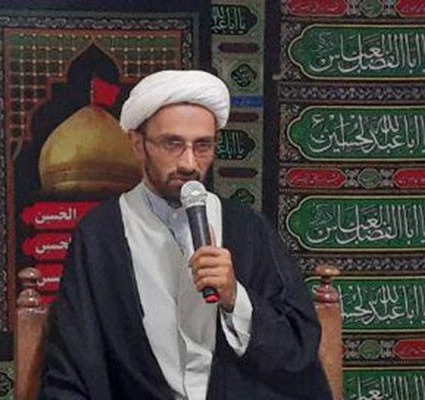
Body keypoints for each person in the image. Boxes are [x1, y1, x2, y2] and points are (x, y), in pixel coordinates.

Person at [38, 70, 332, 399]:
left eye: (203, 146)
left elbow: (297, 347)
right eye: (173, 144)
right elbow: (73, 365)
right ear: (138, 144)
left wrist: (234, 298)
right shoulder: (100, 235)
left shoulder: (248, 228)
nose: (189, 163)